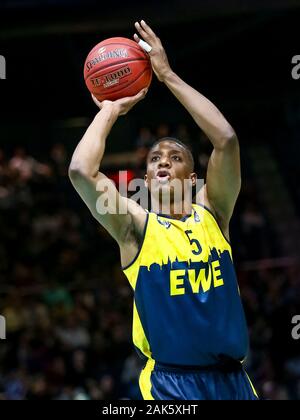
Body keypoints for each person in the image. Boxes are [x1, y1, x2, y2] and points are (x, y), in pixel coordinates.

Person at [69, 20, 258, 400]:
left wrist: (167, 75)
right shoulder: (135, 227)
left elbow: (226, 140)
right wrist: (109, 110)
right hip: (171, 385)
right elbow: (80, 171)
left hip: (234, 382)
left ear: (193, 180)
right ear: (147, 179)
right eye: (155, 158)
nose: (162, 162)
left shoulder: (214, 214)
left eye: (175, 157)